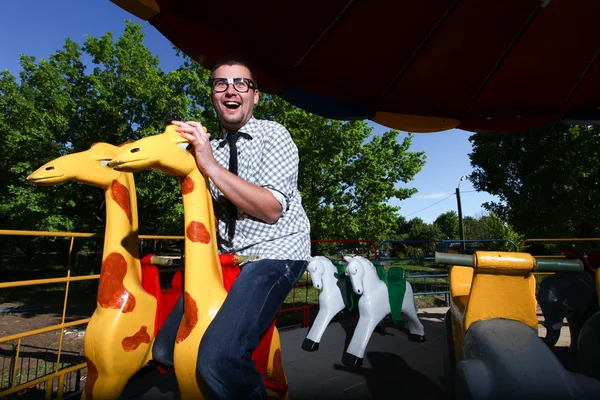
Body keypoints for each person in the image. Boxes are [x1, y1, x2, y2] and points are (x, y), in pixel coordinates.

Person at [152, 55, 311, 399]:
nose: (231, 89)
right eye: (221, 83)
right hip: (226, 258)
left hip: (276, 251)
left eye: (242, 83)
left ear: (255, 96)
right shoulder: (208, 148)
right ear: (213, 96)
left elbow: (270, 210)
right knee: (164, 351)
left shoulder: (274, 135)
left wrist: (208, 164)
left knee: (218, 361)